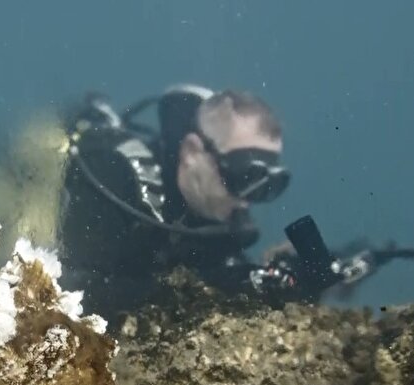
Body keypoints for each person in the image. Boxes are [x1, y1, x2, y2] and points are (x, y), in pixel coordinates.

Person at [55, 84, 298, 315]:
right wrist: (204, 292)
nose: (246, 201)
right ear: (192, 152)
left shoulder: (221, 212)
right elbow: (74, 290)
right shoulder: (113, 174)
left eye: (265, 187)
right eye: (241, 177)